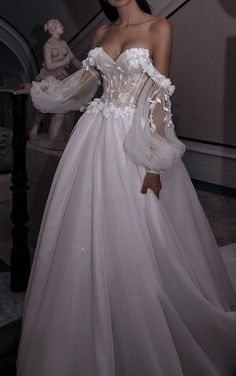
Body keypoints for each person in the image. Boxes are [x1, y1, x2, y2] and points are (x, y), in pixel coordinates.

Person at [16, 0, 236, 375]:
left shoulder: (159, 28)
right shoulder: (102, 33)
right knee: (83, 226)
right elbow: (85, 83)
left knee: (138, 228)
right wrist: (42, 90)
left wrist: (154, 161)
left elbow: (158, 98)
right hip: (93, 137)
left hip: (132, 142)